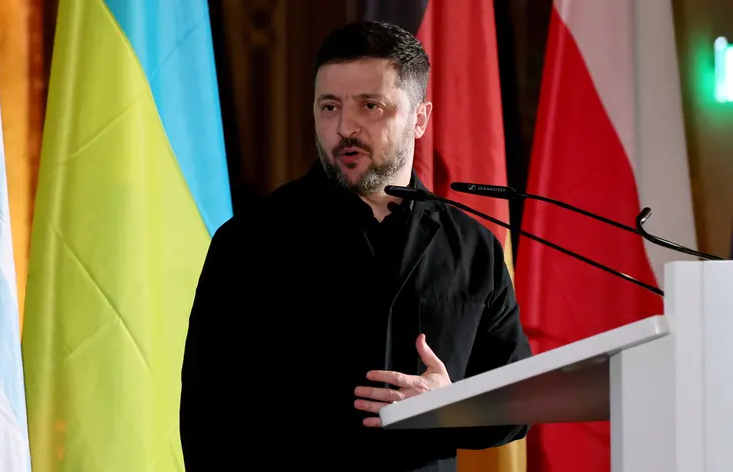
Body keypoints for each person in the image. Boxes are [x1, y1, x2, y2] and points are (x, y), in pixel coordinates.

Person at [179, 20, 532, 471]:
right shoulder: (250, 241)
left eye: (370, 106)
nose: (345, 126)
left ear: (420, 118)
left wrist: (452, 406)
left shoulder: (473, 248)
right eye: (329, 107)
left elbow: (517, 405)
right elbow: (207, 420)